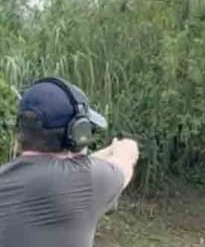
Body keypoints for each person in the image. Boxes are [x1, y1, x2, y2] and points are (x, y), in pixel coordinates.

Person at [0, 76, 139, 247]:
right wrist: (121, 146)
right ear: (77, 134)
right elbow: (125, 159)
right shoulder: (87, 180)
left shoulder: (5, 177)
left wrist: (100, 154)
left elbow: (71, 168)